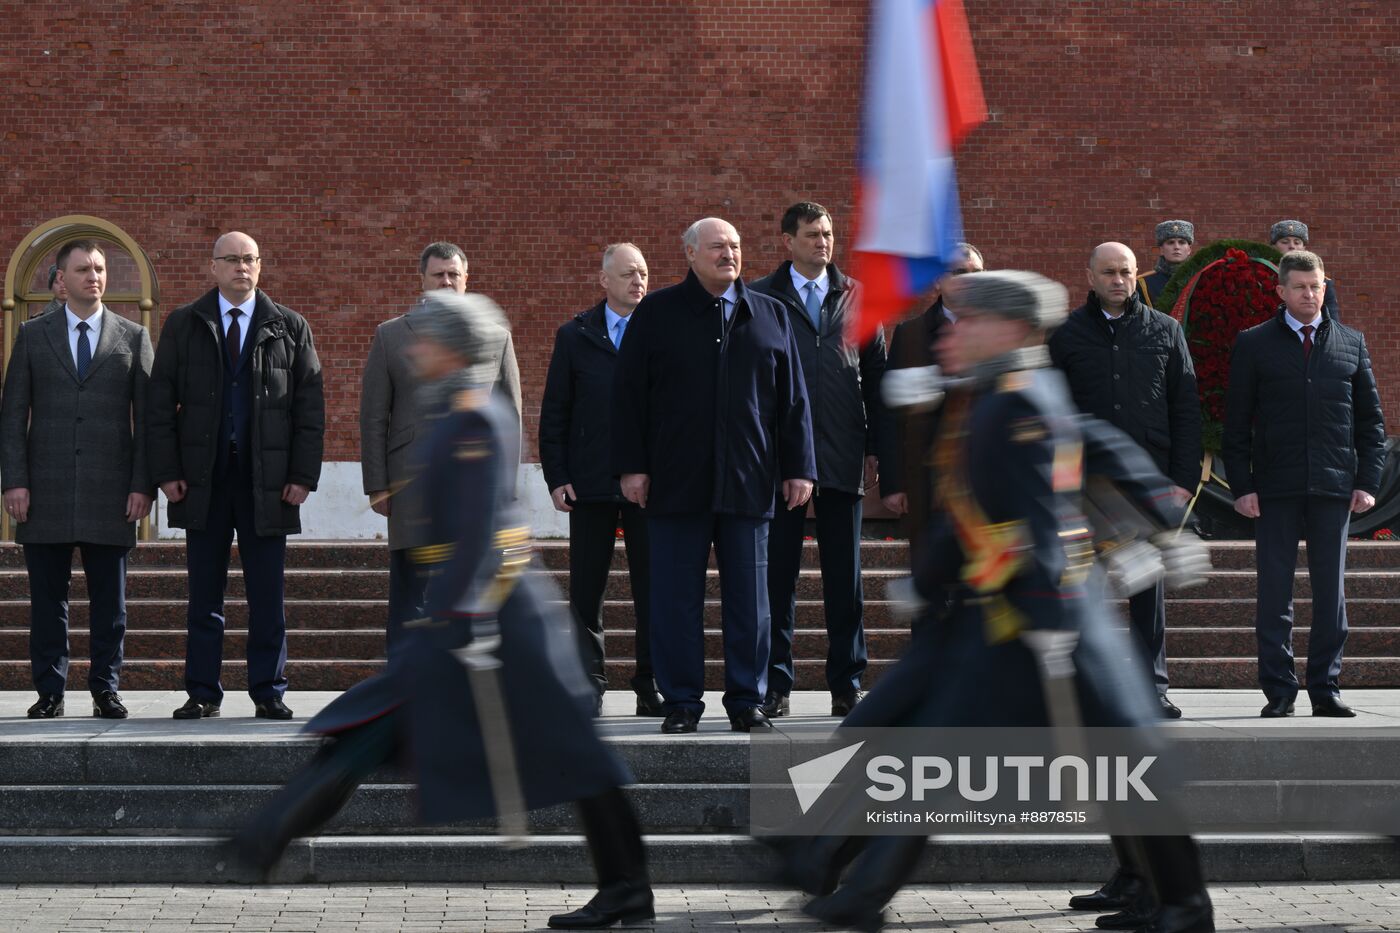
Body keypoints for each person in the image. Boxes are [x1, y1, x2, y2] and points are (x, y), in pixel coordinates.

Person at [779, 271, 1213, 933]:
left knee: (1097, 764)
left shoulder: (1016, 401)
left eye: (969, 320)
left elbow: (1038, 515)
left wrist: (1049, 615)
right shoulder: (1001, 393)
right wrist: (928, 580)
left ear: (1010, 328)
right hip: (1021, 616)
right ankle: (1177, 901)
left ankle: (1181, 902)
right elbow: (984, 501)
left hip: (1043, 620)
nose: (953, 333)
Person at [230, 291, 653, 930]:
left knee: (571, 755)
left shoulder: (474, 417)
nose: (417, 345)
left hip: (493, 622)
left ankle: (265, 836)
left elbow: (482, 533)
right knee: (371, 727)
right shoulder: (462, 411)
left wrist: (463, 618)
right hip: (472, 617)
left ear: (452, 347)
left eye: (427, 337)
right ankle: (266, 834)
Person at [613, 217, 816, 734]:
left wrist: (799, 469)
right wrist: (631, 466)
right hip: (675, 481)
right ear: (689, 254)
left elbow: (793, 402)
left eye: (735, 246)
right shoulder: (657, 313)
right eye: (717, 246)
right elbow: (628, 397)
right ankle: (681, 700)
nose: (729, 254)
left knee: (751, 602)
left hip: (749, 482)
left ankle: (747, 700)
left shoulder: (769, 314)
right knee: (676, 598)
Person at [147, 231, 325, 721]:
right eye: (231, 260)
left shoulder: (289, 327)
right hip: (203, 479)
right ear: (213, 267)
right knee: (204, 592)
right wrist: (167, 472)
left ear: (261, 266)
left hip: (267, 481)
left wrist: (302, 476)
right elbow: (159, 406)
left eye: (250, 259)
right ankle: (203, 690)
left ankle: (268, 689)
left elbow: (310, 410)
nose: (241, 268)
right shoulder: (185, 325)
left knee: (267, 593)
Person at [1223, 249, 1385, 718]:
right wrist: (1241, 486)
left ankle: (1325, 688)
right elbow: (1235, 426)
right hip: (1274, 488)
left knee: (1330, 593)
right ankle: (1278, 690)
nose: (1310, 294)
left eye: (1316, 286)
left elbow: (1371, 425)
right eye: (1299, 287)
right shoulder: (1254, 344)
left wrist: (1367, 481)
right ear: (1281, 291)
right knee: (1274, 592)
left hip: (1334, 487)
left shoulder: (1350, 343)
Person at [0, 240, 154, 720]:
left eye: (101, 268)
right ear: (61, 279)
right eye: (84, 269)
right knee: (48, 600)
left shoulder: (132, 337)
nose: (95, 276)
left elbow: (148, 421)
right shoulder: (32, 335)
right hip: (43, 489)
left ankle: (106, 688)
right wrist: (14, 482)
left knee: (111, 603)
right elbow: (12, 416)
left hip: (111, 491)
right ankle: (50, 690)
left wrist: (142, 484)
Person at [1048, 241, 1203, 719]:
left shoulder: (1166, 330)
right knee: (1081, 588)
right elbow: (1051, 413)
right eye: (1110, 272)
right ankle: (1085, 689)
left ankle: (1150, 688)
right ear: (1090, 276)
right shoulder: (1065, 335)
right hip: (1084, 484)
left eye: (1127, 272)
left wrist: (1180, 479)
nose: (1119, 280)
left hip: (1148, 480)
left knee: (1146, 589)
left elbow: (1186, 409)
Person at [748, 202, 885, 719]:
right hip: (781, 462)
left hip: (843, 452)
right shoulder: (761, 297)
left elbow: (877, 378)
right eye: (811, 235)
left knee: (844, 578)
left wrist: (877, 450)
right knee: (777, 576)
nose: (822, 242)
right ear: (787, 241)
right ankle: (776, 682)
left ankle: (846, 682)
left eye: (827, 233)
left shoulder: (857, 297)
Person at [361, 241, 521, 654]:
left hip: (473, 493)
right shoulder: (392, 335)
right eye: (438, 275)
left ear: (467, 279)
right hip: (409, 487)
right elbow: (375, 413)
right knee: (410, 595)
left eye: (454, 275)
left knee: (468, 596)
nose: (447, 282)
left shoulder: (496, 338)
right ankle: (405, 684)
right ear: (423, 280)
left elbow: (511, 417)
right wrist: (377, 485)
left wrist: (507, 489)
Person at [538, 242, 664, 716]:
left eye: (644, 273)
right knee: (587, 590)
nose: (639, 281)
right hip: (588, 485)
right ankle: (589, 685)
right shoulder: (575, 336)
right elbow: (556, 414)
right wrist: (557, 477)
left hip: (648, 487)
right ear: (604, 280)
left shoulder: (659, 333)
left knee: (651, 589)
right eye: (629, 273)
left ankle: (649, 685)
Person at [875, 242, 983, 532]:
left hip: (985, 482)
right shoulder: (911, 335)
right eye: (959, 272)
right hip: (927, 483)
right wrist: (894, 483)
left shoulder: (998, 335)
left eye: (977, 273)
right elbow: (891, 414)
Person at [1270, 220, 1340, 320]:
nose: (1292, 246)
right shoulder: (1264, 277)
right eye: (1285, 242)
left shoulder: (1323, 282)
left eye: (1297, 242)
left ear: (1304, 248)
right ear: (1274, 247)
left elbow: (1332, 320)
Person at [1137, 219, 1193, 306]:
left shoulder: (1201, 278)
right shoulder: (1144, 283)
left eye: (1182, 242)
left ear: (1189, 249)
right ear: (1161, 250)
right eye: (1171, 243)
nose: (1176, 247)